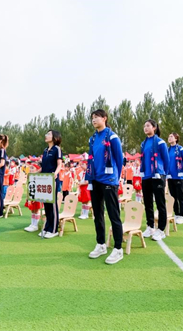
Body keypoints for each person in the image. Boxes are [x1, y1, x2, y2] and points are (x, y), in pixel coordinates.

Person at [85, 109, 125, 264]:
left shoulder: (112, 136)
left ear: (105, 118)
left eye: (97, 117)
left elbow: (119, 159)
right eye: (92, 118)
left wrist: (116, 177)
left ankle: (118, 248)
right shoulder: (93, 138)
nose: (94, 120)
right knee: (98, 214)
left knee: (113, 215)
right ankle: (101, 244)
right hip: (95, 180)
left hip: (109, 180)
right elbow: (91, 158)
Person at [140, 119, 169, 242]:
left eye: (148, 126)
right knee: (147, 202)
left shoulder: (161, 142)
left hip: (158, 175)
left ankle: (161, 229)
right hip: (146, 176)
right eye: (144, 126)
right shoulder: (143, 143)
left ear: (154, 128)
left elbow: (166, 160)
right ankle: (150, 226)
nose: (145, 128)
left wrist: (164, 175)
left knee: (160, 202)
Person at [38, 130, 63, 239]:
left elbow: (59, 165)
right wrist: (35, 173)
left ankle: (53, 229)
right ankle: (47, 227)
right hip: (44, 180)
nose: (46, 135)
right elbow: (43, 167)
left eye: (48, 134)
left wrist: (55, 173)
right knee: (46, 205)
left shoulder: (57, 149)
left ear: (54, 137)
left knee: (52, 205)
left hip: (52, 180)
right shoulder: (45, 151)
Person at [166, 133, 183, 224]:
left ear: (176, 139)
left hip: (179, 176)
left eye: (171, 136)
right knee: (173, 196)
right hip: (170, 176)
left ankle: (181, 215)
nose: (169, 138)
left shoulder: (181, 149)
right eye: (169, 137)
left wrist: (181, 171)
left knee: (180, 197)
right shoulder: (167, 150)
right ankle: (176, 214)